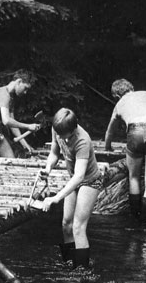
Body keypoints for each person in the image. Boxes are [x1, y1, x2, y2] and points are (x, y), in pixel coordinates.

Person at [38, 108, 102, 269]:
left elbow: (80, 176)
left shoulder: (82, 141)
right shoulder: (58, 128)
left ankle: (81, 272)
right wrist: (47, 169)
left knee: (78, 226)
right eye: (58, 134)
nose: (60, 138)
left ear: (73, 129)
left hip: (89, 181)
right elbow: (54, 153)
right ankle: (69, 264)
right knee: (66, 224)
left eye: (63, 135)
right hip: (74, 178)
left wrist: (56, 197)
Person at [103, 79, 146, 221]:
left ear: (116, 95)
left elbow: (110, 131)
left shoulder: (119, 104)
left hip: (135, 132)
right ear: (131, 87)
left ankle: (135, 218)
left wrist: (108, 146)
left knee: (134, 177)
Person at [0, 70, 43, 161]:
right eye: (25, 88)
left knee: (12, 162)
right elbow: (6, 120)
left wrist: (24, 144)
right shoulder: (4, 93)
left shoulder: (11, 98)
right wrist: (28, 126)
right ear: (19, 81)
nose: (25, 92)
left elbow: (12, 123)